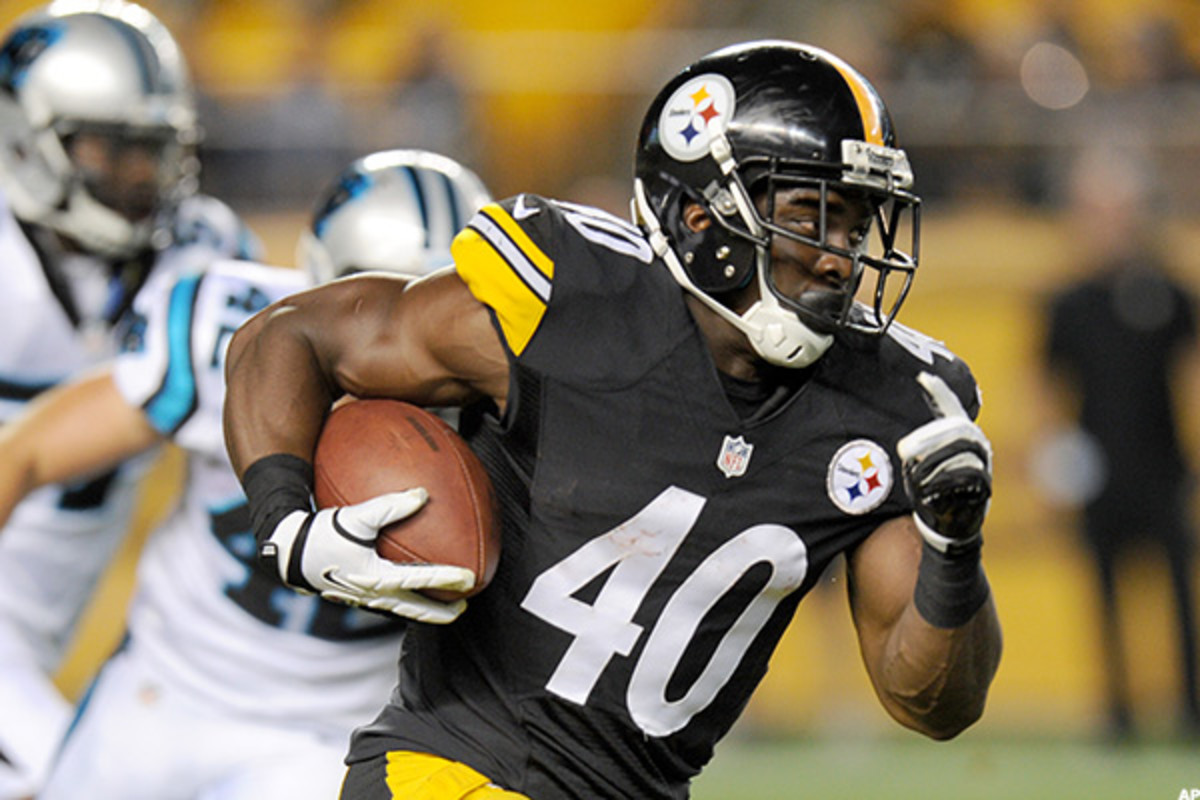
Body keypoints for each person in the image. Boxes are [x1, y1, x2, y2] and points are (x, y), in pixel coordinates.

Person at [224, 41, 1003, 799]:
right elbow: (288, 336)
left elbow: (929, 703)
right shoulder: (569, 304)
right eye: (812, 214)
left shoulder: (890, 401)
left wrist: (954, 549)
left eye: (857, 224)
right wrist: (287, 523)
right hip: (453, 772)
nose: (840, 257)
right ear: (703, 217)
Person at [0, 146, 492, 799]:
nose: (410, 357)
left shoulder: (515, 418)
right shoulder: (231, 335)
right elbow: (24, 453)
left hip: (327, 743)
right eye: (384, 319)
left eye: (440, 328)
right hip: (161, 696)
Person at [0, 3, 258, 797]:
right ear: (23, 138)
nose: (142, 178)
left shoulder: (204, 257)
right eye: (112, 151)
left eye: (155, 152)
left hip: (64, 627)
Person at [1040, 147, 1200, 740]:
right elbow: (1047, 386)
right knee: (1103, 597)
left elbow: (1191, 375)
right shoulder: (1068, 301)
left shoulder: (1170, 293)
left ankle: (1189, 709)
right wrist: (1051, 462)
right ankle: (1119, 714)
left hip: (1163, 467)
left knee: (1180, 595)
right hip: (1099, 472)